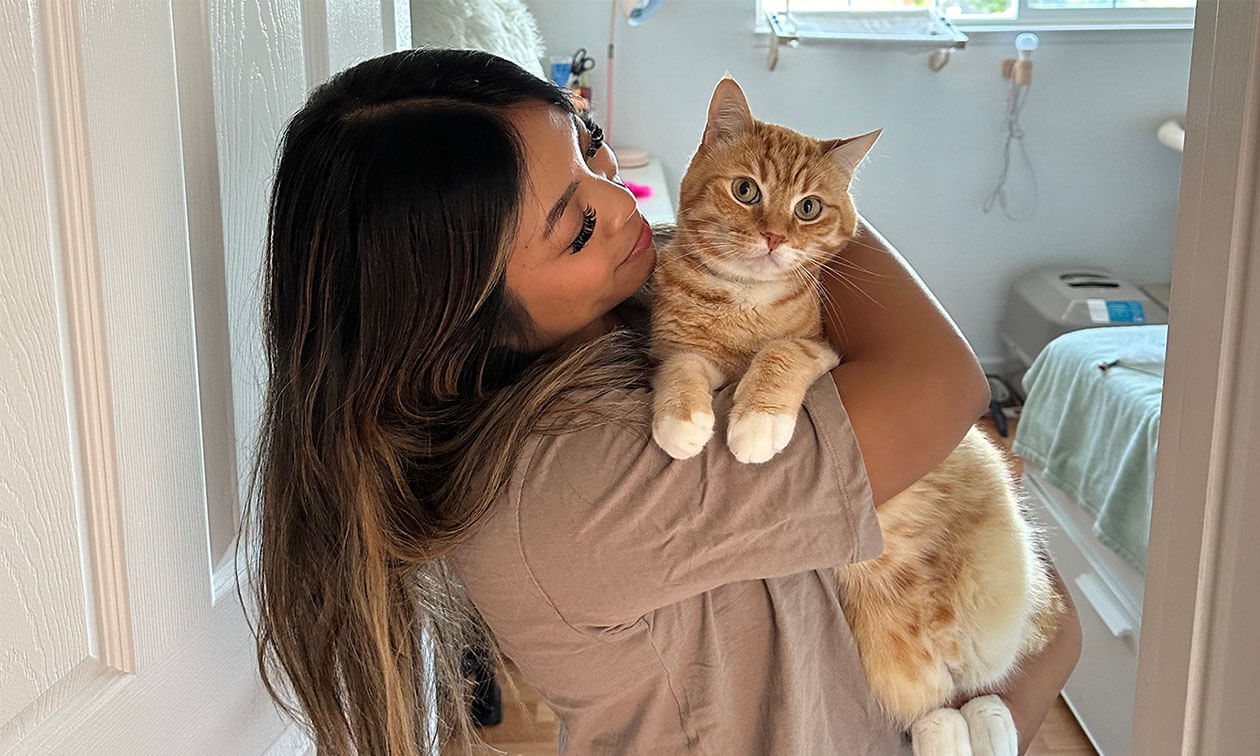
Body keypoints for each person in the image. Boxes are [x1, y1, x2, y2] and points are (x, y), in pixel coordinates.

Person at [244, 47, 1081, 756]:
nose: (619, 201)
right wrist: (815, 190)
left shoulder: (628, 304)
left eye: (592, 147)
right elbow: (942, 383)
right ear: (458, 321)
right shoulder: (571, 487)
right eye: (574, 227)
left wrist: (785, 179)